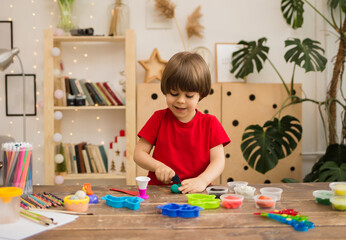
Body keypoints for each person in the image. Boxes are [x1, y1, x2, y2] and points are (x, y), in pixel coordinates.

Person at [134, 51, 230, 194]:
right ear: (166, 90)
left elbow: (218, 162)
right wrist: (158, 167)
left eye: (189, 95)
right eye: (174, 93)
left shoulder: (210, 123)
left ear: (201, 94)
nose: (180, 100)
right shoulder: (158, 118)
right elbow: (139, 153)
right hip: (159, 192)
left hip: (198, 192)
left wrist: (202, 180)